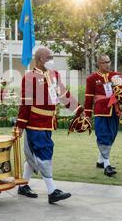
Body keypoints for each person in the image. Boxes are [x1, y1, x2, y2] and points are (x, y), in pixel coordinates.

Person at [15, 47, 83, 204]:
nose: (52, 60)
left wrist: (78, 109)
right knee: (43, 153)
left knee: (34, 155)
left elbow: (63, 94)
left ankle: (23, 186)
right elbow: (25, 104)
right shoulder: (29, 77)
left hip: (48, 122)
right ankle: (52, 191)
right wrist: (20, 125)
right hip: (35, 123)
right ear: (39, 60)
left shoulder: (54, 75)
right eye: (49, 57)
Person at [84, 54, 122, 177]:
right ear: (98, 64)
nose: (107, 64)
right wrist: (87, 115)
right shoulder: (92, 78)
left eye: (108, 61)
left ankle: (100, 161)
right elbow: (88, 99)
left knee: (112, 135)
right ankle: (107, 164)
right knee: (103, 136)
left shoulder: (116, 75)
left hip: (115, 110)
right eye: (103, 62)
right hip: (101, 111)